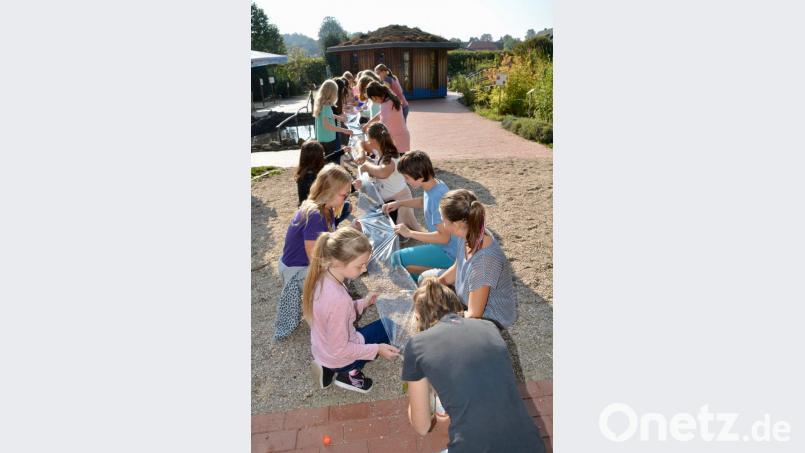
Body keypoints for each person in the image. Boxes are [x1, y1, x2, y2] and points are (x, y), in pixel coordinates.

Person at [401, 278, 544, 452]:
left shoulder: (417, 345)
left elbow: (422, 427)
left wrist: (421, 394)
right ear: (457, 307)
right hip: (531, 445)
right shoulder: (489, 326)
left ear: (418, 317)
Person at [304, 227, 401, 393]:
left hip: (322, 348)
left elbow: (337, 316)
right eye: (360, 265)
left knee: (371, 331)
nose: (364, 269)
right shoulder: (340, 300)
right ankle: (349, 373)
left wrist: (363, 303)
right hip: (339, 355)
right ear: (337, 262)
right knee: (391, 324)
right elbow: (341, 348)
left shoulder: (322, 276)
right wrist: (377, 349)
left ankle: (327, 367)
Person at [423, 189, 518, 329]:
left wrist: (441, 318)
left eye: (443, 220)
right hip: (468, 298)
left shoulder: (484, 262)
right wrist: (437, 284)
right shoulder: (468, 233)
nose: (442, 224)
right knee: (424, 280)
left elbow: (474, 314)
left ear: (455, 224)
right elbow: (457, 268)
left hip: (489, 318)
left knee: (435, 320)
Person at [384, 151, 460, 281]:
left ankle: (443, 279)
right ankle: (433, 278)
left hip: (449, 253)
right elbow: (424, 201)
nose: (405, 181)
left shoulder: (436, 198)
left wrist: (410, 233)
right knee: (407, 262)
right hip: (449, 247)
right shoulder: (436, 184)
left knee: (397, 258)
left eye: (407, 177)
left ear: (419, 176)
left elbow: (444, 238)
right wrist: (400, 203)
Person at [279, 163, 352, 283]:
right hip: (295, 272)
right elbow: (315, 260)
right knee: (342, 272)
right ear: (329, 192)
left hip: (303, 266)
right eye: (344, 195)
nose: (346, 199)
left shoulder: (327, 208)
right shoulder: (315, 216)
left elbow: (327, 242)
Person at [352, 123, 422, 232]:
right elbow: (359, 143)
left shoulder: (390, 157)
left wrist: (367, 165)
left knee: (396, 233)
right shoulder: (379, 149)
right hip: (385, 202)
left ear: (374, 140)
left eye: (368, 137)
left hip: (398, 202)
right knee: (366, 226)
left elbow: (382, 173)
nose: (367, 140)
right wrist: (362, 153)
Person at [313, 80, 353, 165]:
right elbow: (327, 125)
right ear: (332, 93)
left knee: (326, 160)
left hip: (322, 138)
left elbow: (328, 116)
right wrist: (344, 130)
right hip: (329, 139)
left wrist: (339, 118)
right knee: (333, 162)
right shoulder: (326, 107)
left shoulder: (321, 104)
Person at [363, 81, 410, 153]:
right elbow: (381, 114)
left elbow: (381, 124)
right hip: (401, 138)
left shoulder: (386, 104)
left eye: (371, 100)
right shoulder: (390, 99)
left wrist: (369, 131)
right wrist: (368, 123)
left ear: (374, 97)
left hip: (395, 141)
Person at [295, 140, 326, 205]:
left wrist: (341, 151)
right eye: (322, 154)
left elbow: (302, 202)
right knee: (346, 206)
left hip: (306, 209)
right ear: (318, 158)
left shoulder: (302, 175)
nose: (324, 155)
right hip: (318, 210)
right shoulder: (318, 177)